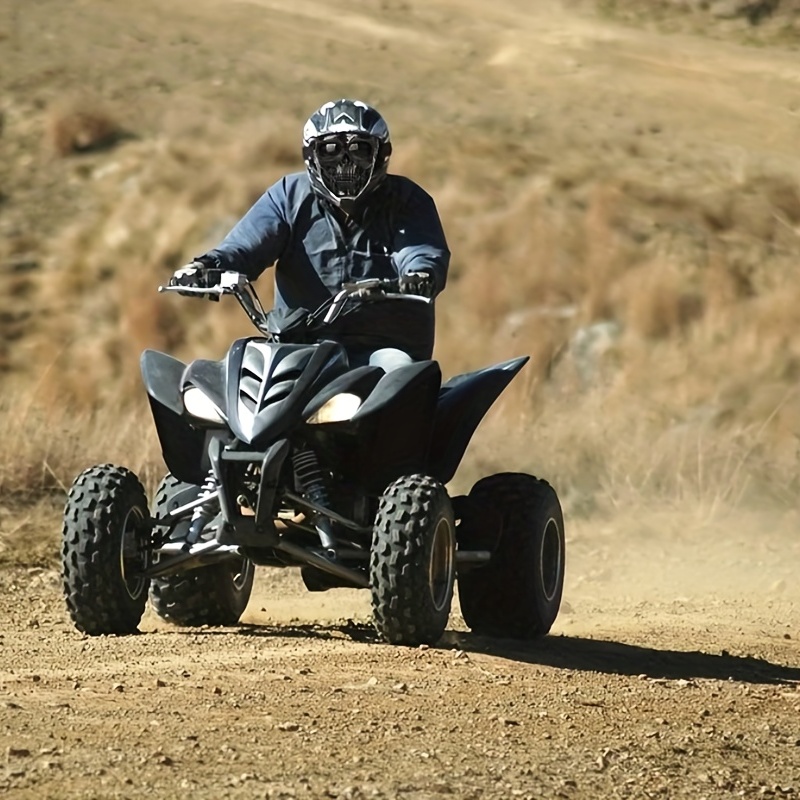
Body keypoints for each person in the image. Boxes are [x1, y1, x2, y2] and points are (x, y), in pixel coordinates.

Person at [170, 98, 450, 372]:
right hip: (298, 346)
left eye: (359, 150)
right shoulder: (287, 196)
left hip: (381, 347)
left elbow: (420, 252)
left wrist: (419, 277)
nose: (345, 164)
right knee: (233, 377)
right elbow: (244, 246)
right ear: (310, 155)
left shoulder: (408, 201)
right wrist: (206, 267)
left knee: (397, 373)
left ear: (382, 154)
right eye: (330, 150)